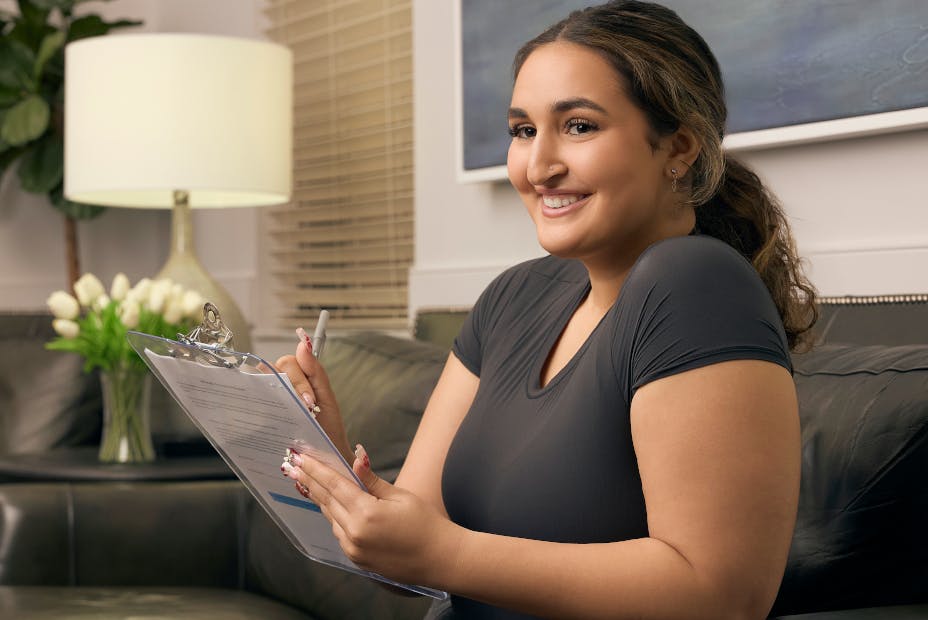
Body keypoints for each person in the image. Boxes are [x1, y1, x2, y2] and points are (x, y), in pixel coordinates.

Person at [275, 1, 818, 618]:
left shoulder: (696, 286)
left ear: (681, 148)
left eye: (579, 126)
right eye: (523, 131)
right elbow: (410, 553)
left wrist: (447, 553)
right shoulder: (514, 297)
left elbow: (719, 595)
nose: (538, 167)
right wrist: (332, 462)